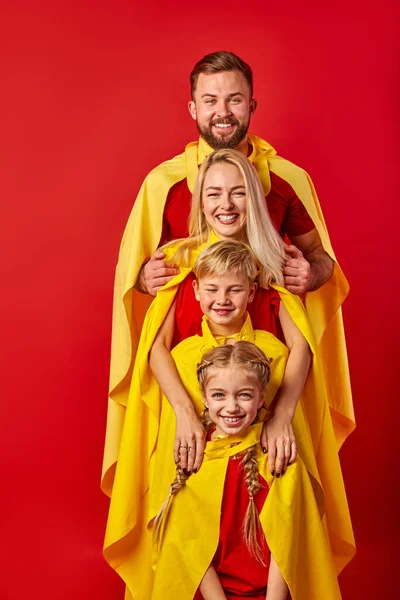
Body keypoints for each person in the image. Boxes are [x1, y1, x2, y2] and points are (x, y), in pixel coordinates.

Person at [102, 51, 354, 500]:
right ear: (193, 108)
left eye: (234, 100)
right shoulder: (164, 184)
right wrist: (145, 276)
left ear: (252, 106)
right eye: (211, 100)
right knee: (186, 493)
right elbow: (136, 281)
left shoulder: (284, 179)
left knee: (275, 492)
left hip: (267, 368)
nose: (222, 112)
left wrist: (307, 273)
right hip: (186, 363)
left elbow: (321, 261)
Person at [103, 232, 354, 599]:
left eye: (234, 290)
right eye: (213, 290)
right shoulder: (184, 359)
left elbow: (302, 349)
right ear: (197, 292)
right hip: (203, 480)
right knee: (179, 497)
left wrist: (280, 420)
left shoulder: (273, 353)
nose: (222, 300)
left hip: (257, 479)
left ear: (252, 292)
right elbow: (155, 353)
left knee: (291, 481)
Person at [151, 342, 342, 600]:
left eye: (244, 395)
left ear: (261, 397)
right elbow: (189, 545)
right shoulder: (195, 459)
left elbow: (286, 545)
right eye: (219, 395)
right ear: (204, 398)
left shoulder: (278, 458)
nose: (231, 407)